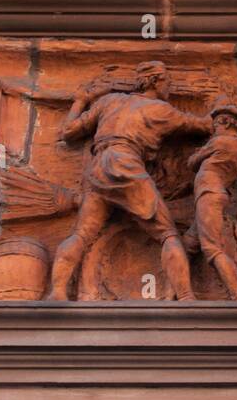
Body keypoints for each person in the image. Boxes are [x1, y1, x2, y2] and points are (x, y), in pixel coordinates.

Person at [49, 61, 212, 301]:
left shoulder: (109, 101)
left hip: (97, 168)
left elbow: (69, 131)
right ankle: (186, 296)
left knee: (81, 234)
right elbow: (202, 126)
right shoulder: (160, 110)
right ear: (156, 81)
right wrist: (220, 107)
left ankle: (58, 292)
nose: (169, 88)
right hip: (126, 164)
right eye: (167, 82)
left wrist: (80, 100)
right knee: (168, 234)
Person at [185, 97, 237, 300]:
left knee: (211, 248)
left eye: (215, 125)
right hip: (216, 195)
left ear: (226, 122)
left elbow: (192, 162)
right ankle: (176, 290)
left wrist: (198, 153)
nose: (212, 129)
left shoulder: (221, 141)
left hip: (208, 195)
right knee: (188, 243)